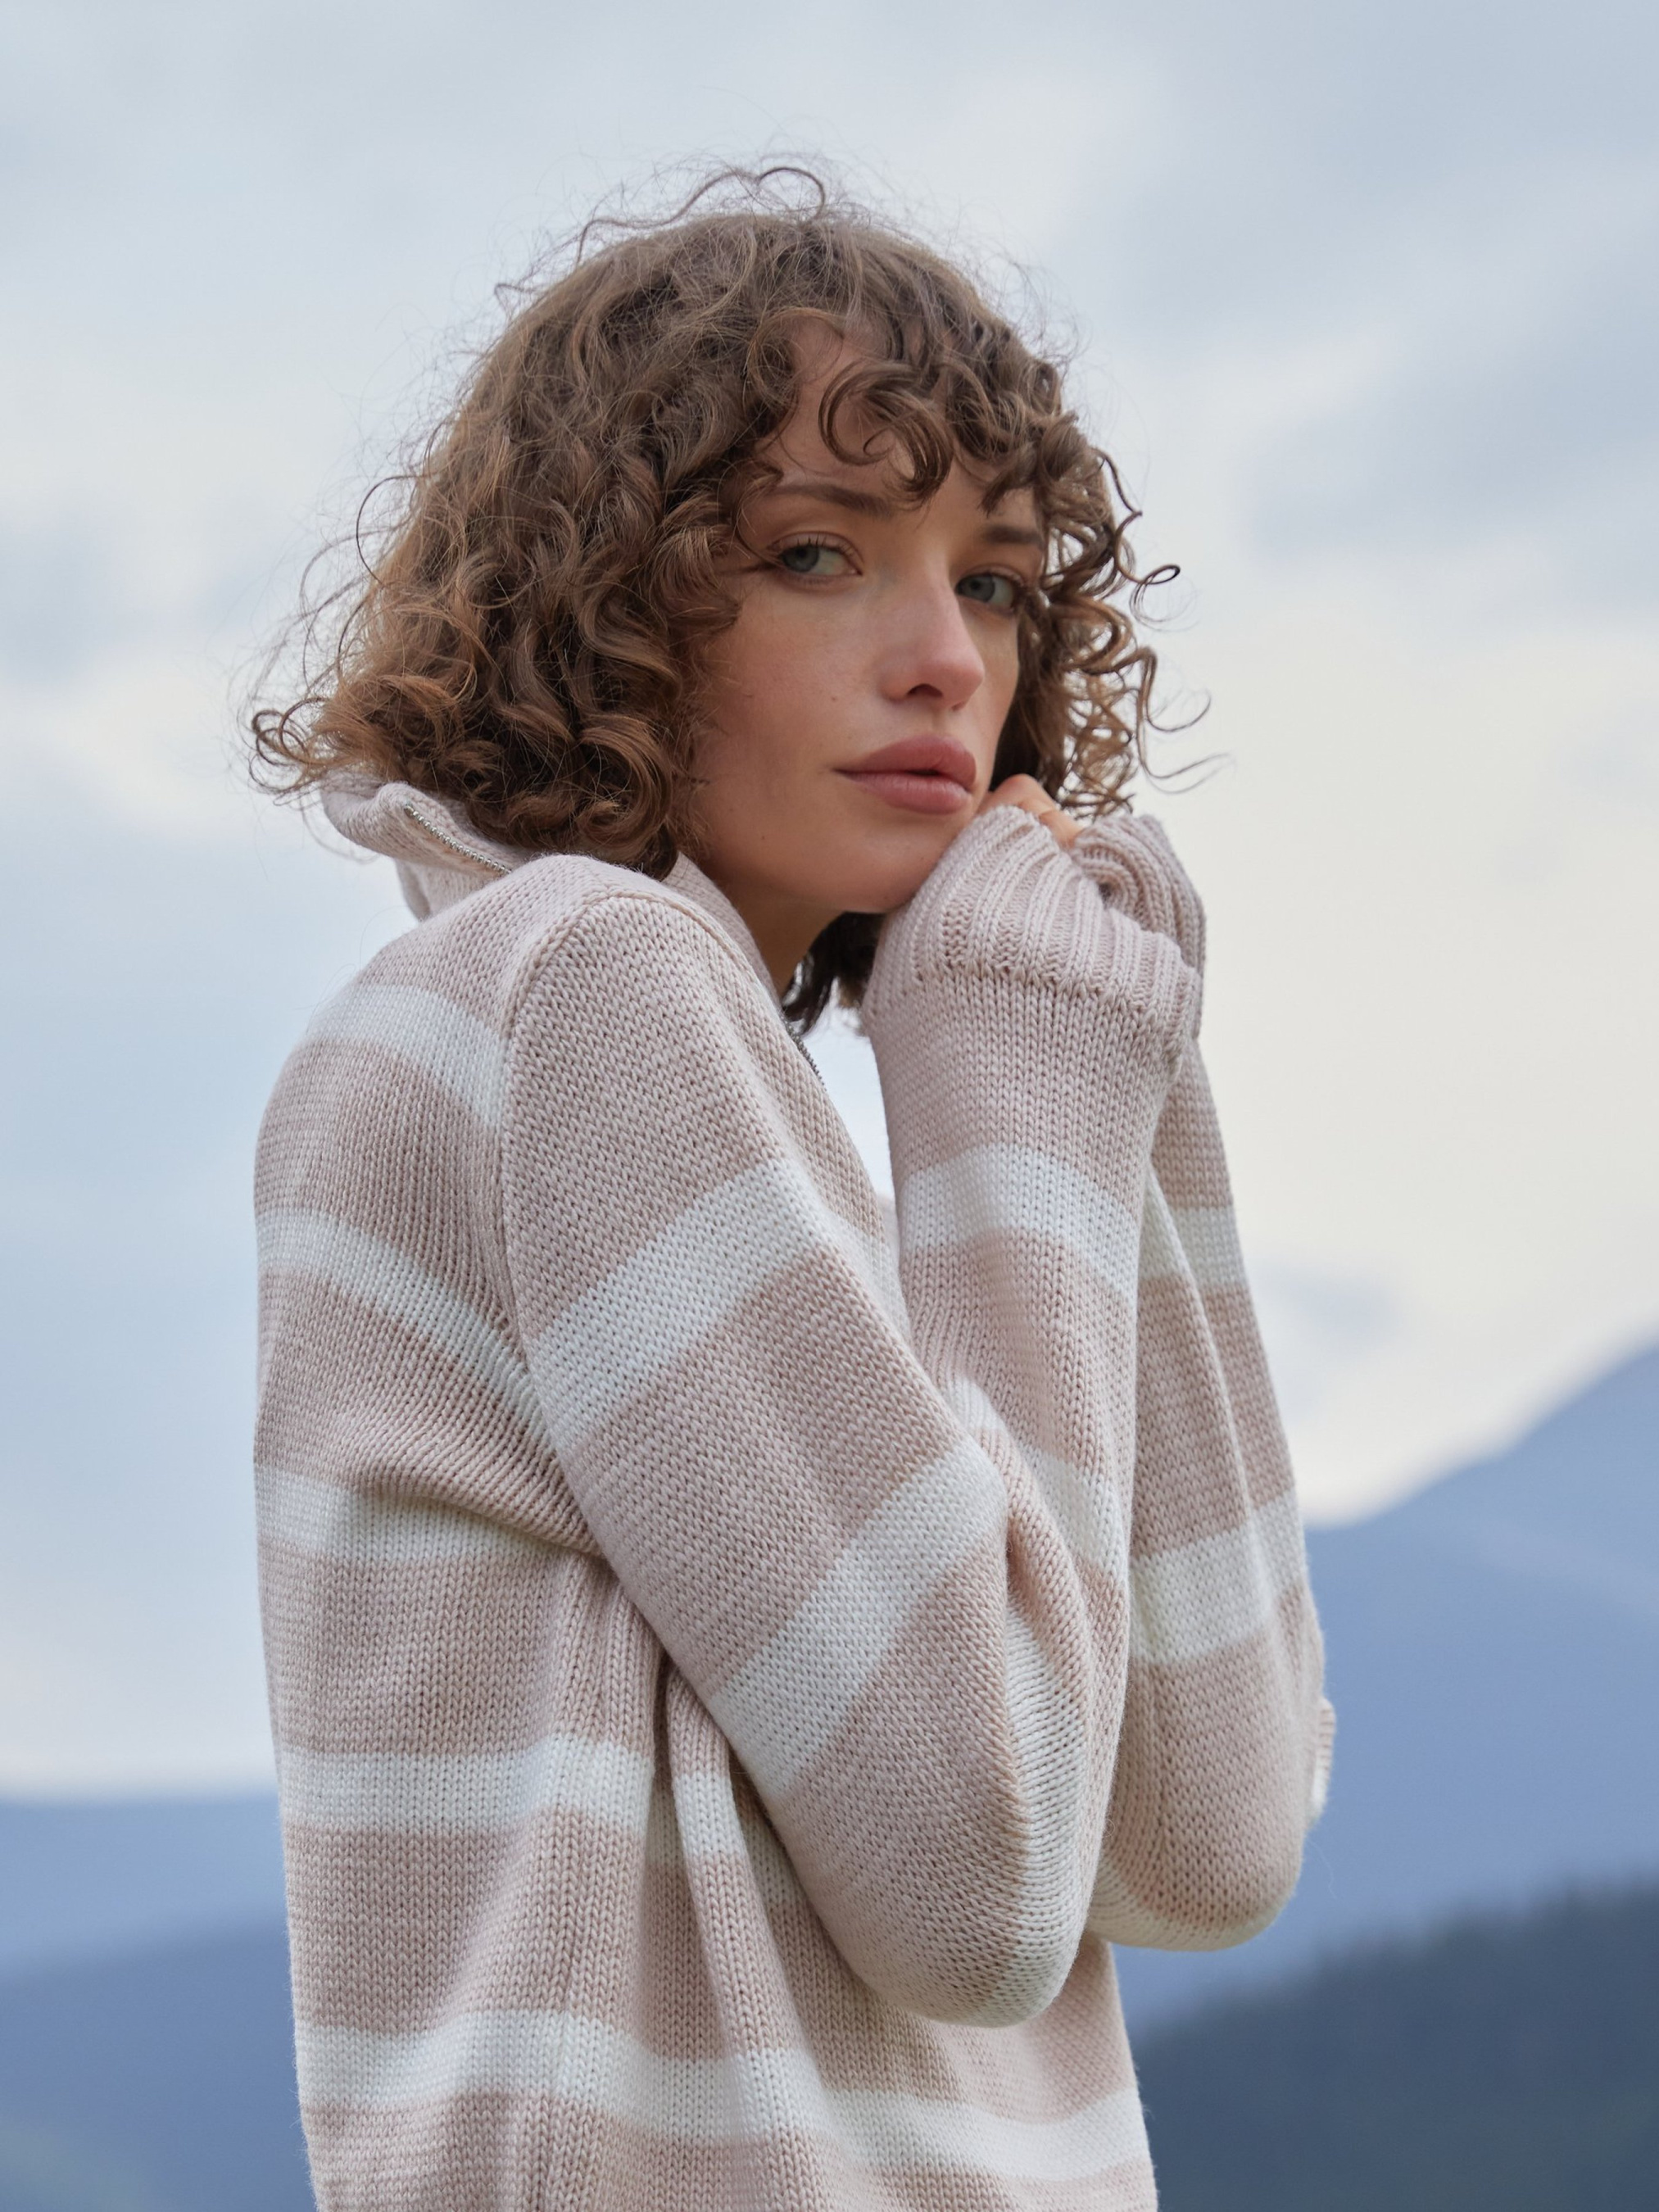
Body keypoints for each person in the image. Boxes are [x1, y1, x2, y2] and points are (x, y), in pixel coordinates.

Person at [249, 169, 1332, 2212]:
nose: (942, 663)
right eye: (817, 555)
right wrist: (1023, 1088)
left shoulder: (687, 1072)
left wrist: (1115, 1066)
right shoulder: (574, 988)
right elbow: (980, 1879)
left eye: (994, 583)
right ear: (604, 601)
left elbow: (1208, 1840)